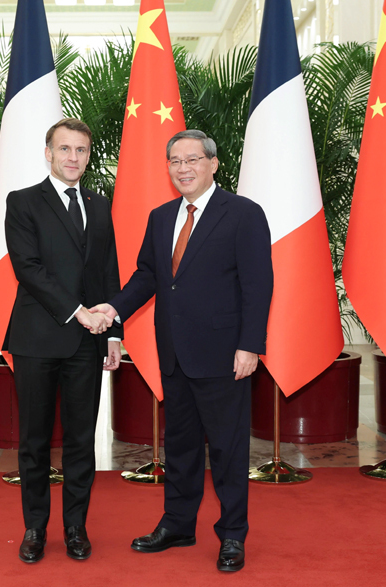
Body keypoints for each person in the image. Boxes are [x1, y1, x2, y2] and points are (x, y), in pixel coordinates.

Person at [91, 129, 272, 572]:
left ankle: (233, 534)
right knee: (180, 446)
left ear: (213, 163)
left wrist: (250, 345)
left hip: (225, 355)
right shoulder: (161, 217)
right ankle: (177, 524)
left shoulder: (243, 213)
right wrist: (114, 307)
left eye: (192, 159)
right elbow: (148, 277)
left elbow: (258, 285)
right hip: (173, 352)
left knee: (227, 450)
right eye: (175, 161)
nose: (183, 168)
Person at [2, 118, 122, 564]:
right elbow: (28, 269)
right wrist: (79, 312)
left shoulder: (99, 204)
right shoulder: (23, 202)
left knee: (80, 441)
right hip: (37, 339)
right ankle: (35, 527)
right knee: (34, 441)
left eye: (81, 150)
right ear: (48, 153)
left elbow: (107, 269)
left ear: (88, 156)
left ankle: (75, 527)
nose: (74, 157)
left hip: (89, 343)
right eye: (65, 149)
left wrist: (113, 331)